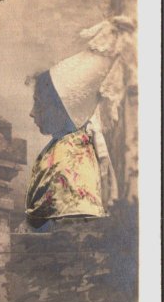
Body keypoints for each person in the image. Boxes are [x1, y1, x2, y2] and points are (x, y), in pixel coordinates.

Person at [25, 17, 134, 229]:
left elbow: (66, 229)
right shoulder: (69, 146)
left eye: (38, 104)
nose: (31, 113)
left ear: (60, 109)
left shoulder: (70, 152)